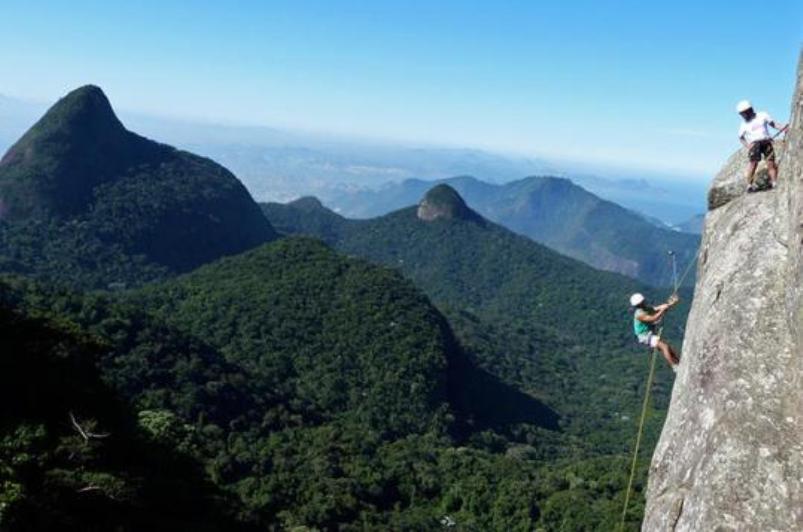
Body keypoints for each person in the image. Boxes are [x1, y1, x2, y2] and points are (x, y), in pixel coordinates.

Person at [736, 100, 787, 193]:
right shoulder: (744, 124)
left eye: (744, 113)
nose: (743, 116)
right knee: (753, 164)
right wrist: (748, 146)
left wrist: (784, 128)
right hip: (755, 144)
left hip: (766, 142)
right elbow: (741, 137)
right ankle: (749, 185)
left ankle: (774, 183)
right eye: (742, 114)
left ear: (750, 110)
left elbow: (773, 124)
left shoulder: (762, 115)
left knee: (770, 163)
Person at [630, 292, 680, 370]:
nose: (645, 301)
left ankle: (678, 362)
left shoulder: (645, 309)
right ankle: (674, 366)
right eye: (643, 301)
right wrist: (662, 311)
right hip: (645, 336)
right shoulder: (639, 314)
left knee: (668, 348)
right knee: (664, 347)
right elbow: (653, 318)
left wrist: (670, 304)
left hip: (648, 334)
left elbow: (657, 308)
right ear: (639, 303)